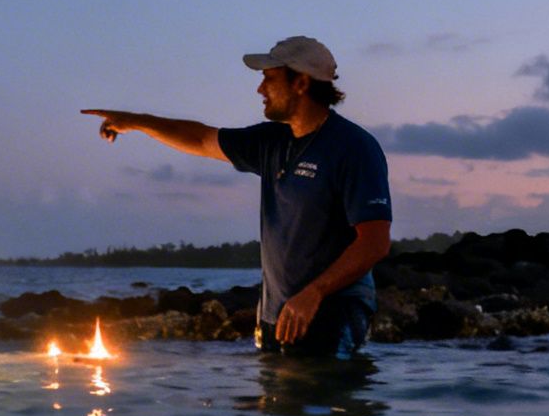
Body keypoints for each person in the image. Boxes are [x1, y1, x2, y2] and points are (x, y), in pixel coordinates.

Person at [84, 35, 392, 359]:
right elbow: (201, 139)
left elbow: (374, 242)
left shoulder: (354, 148)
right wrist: (134, 122)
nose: (260, 90)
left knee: (319, 403)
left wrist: (313, 294)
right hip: (279, 316)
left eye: (269, 79)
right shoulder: (271, 142)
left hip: (332, 314)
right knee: (278, 407)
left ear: (300, 83)